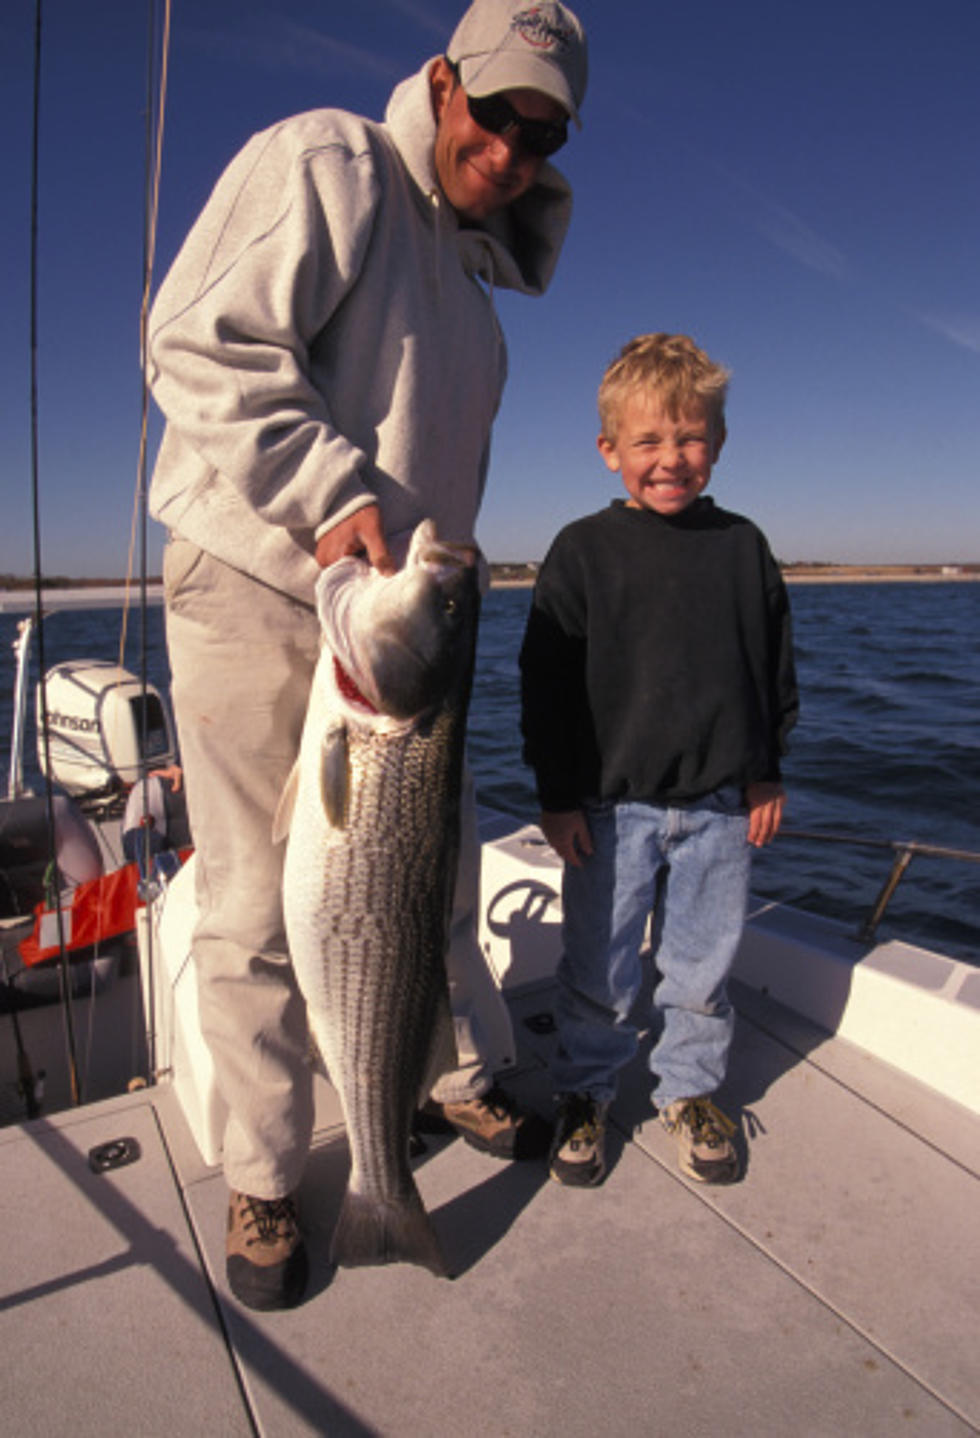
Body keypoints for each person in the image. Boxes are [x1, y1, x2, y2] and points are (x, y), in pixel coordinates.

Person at [147, 0, 587, 1310]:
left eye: (545, 132)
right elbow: (193, 343)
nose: (511, 148)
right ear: (445, 84)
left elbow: (439, 500)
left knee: (425, 883)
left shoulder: (483, 316)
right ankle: (273, 1176)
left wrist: (433, 579)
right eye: (497, 113)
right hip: (253, 580)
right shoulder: (327, 164)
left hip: (390, 644)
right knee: (252, 902)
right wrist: (334, 494)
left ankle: (440, 1081)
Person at [519, 333, 798, 1188]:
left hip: (719, 805)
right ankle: (586, 1092)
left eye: (690, 438)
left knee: (702, 967)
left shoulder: (744, 546)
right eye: (649, 441)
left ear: (717, 441)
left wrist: (765, 770)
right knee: (598, 968)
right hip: (609, 809)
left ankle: (690, 1090)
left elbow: (772, 663)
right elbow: (546, 682)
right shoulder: (579, 551)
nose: (672, 459)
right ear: (610, 451)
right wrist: (558, 797)